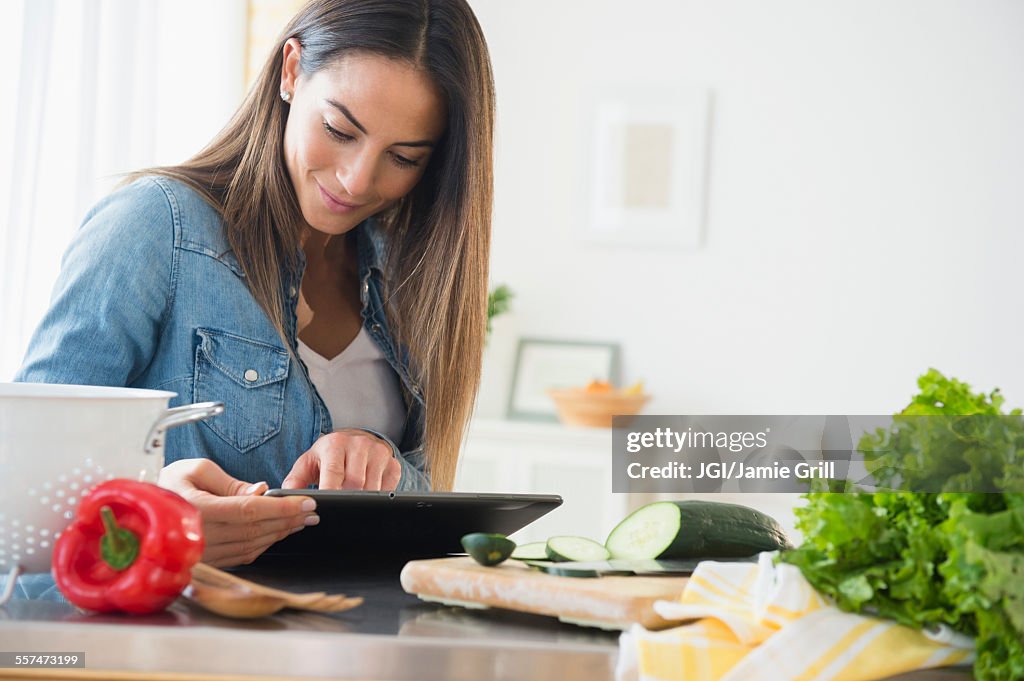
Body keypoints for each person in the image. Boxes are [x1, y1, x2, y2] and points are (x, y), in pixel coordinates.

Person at [15, 0, 495, 568]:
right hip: (174, 644)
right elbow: (26, 485)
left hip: (358, 641)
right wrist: (158, 523)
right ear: (291, 71)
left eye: (403, 157)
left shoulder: (409, 277)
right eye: (339, 130)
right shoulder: (156, 226)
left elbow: (428, 505)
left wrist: (381, 463)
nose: (357, 179)